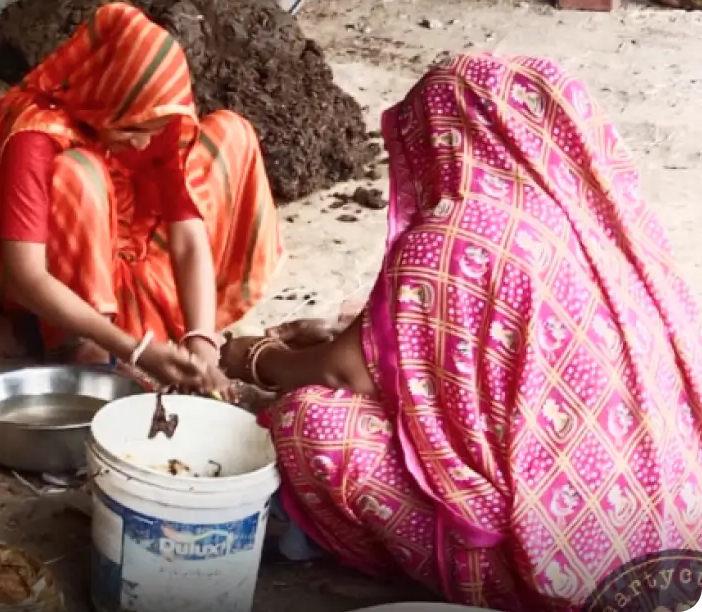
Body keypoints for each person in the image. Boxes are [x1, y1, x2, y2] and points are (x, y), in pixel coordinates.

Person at [221, 54, 702, 611]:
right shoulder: (590, 223)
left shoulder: (455, 236)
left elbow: (342, 371)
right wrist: (354, 327)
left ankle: (434, 578)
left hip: (550, 573)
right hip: (669, 550)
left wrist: (256, 357)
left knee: (312, 423)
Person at [0, 2, 284, 391]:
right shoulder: (33, 138)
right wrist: (134, 349)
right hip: (55, 273)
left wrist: (201, 339)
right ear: (106, 96)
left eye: (154, 128)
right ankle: (83, 342)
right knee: (80, 172)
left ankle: (156, 323)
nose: (145, 141)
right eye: (133, 128)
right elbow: (24, 276)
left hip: (127, 237)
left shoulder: (152, 115)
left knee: (230, 132)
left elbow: (186, 234)